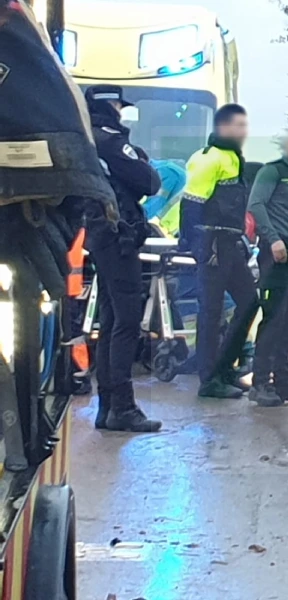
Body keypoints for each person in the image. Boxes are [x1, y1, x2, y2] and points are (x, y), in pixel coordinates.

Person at [83, 84, 162, 432]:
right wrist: (141, 160)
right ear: (109, 105)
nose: (121, 110)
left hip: (102, 235)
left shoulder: (87, 140)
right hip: (119, 237)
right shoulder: (112, 141)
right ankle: (123, 409)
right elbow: (149, 181)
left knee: (111, 319)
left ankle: (107, 407)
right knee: (126, 321)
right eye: (118, 104)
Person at [180, 104, 258, 398]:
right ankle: (209, 379)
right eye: (238, 126)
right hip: (212, 244)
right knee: (211, 312)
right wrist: (192, 243)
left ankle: (226, 367)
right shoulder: (208, 158)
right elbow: (192, 202)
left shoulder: (232, 158)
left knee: (249, 300)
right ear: (223, 127)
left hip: (231, 243)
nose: (243, 131)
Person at [245, 125, 288, 406]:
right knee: (273, 319)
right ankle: (261, 383)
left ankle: (284, 381)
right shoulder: (272, 172)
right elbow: (256, 205)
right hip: (278, 256)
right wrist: (273, 240)